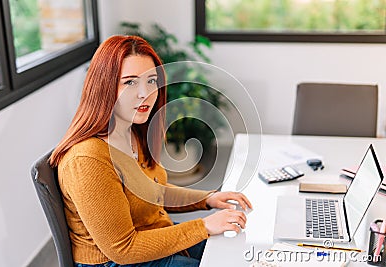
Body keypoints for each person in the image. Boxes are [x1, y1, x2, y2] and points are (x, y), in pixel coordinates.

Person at [50, 35, 252, 267]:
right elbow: (122, 249)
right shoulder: (87, 159)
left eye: (151, 81)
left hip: (152, 236)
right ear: (104, 86)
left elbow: (154, 191)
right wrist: (203, 225)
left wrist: (207, 199)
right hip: (116, 260)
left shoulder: (133, 132)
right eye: (130, 82)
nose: (145, 93)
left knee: (237, 251)